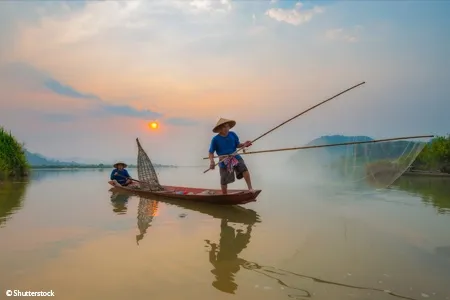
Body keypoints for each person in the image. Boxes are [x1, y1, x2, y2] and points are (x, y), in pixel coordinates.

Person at [208, 118, 255, 194]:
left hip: (235, 156)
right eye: (224, 127)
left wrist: (244, 144)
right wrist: (212, 161)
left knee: (244, 168)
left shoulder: (232, 134)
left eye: (227, 126)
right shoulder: (215, 139)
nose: (226, 129)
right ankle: (224, 196)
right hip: (224, 160)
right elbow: (211, 152)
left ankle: (250, 188)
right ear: (220, 128)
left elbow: (237, 145)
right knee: (223, 181)